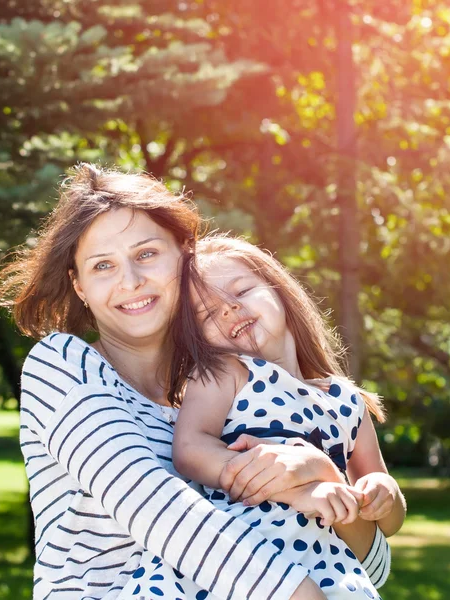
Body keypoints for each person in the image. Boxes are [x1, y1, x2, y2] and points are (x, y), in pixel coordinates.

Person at [0, 164, 383, 600]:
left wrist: (321, 472)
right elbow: (157, 509)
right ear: (79, 286)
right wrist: (300, 594)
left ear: (183, 255)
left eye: (145, 254)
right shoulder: (64, 366)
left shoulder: (222, 390)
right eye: (103, 265)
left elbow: (370, 562)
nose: (130, 281)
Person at [126, 235, 406, 599]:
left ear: (279, 291)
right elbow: (191, 447)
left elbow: (385, 513)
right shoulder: (226, 373)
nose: (228, 309)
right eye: (208, 313)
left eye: (241, 292)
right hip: (238, 554)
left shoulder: (346, 400)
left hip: (325, 566)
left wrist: (384, 495)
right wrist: (292, 486)